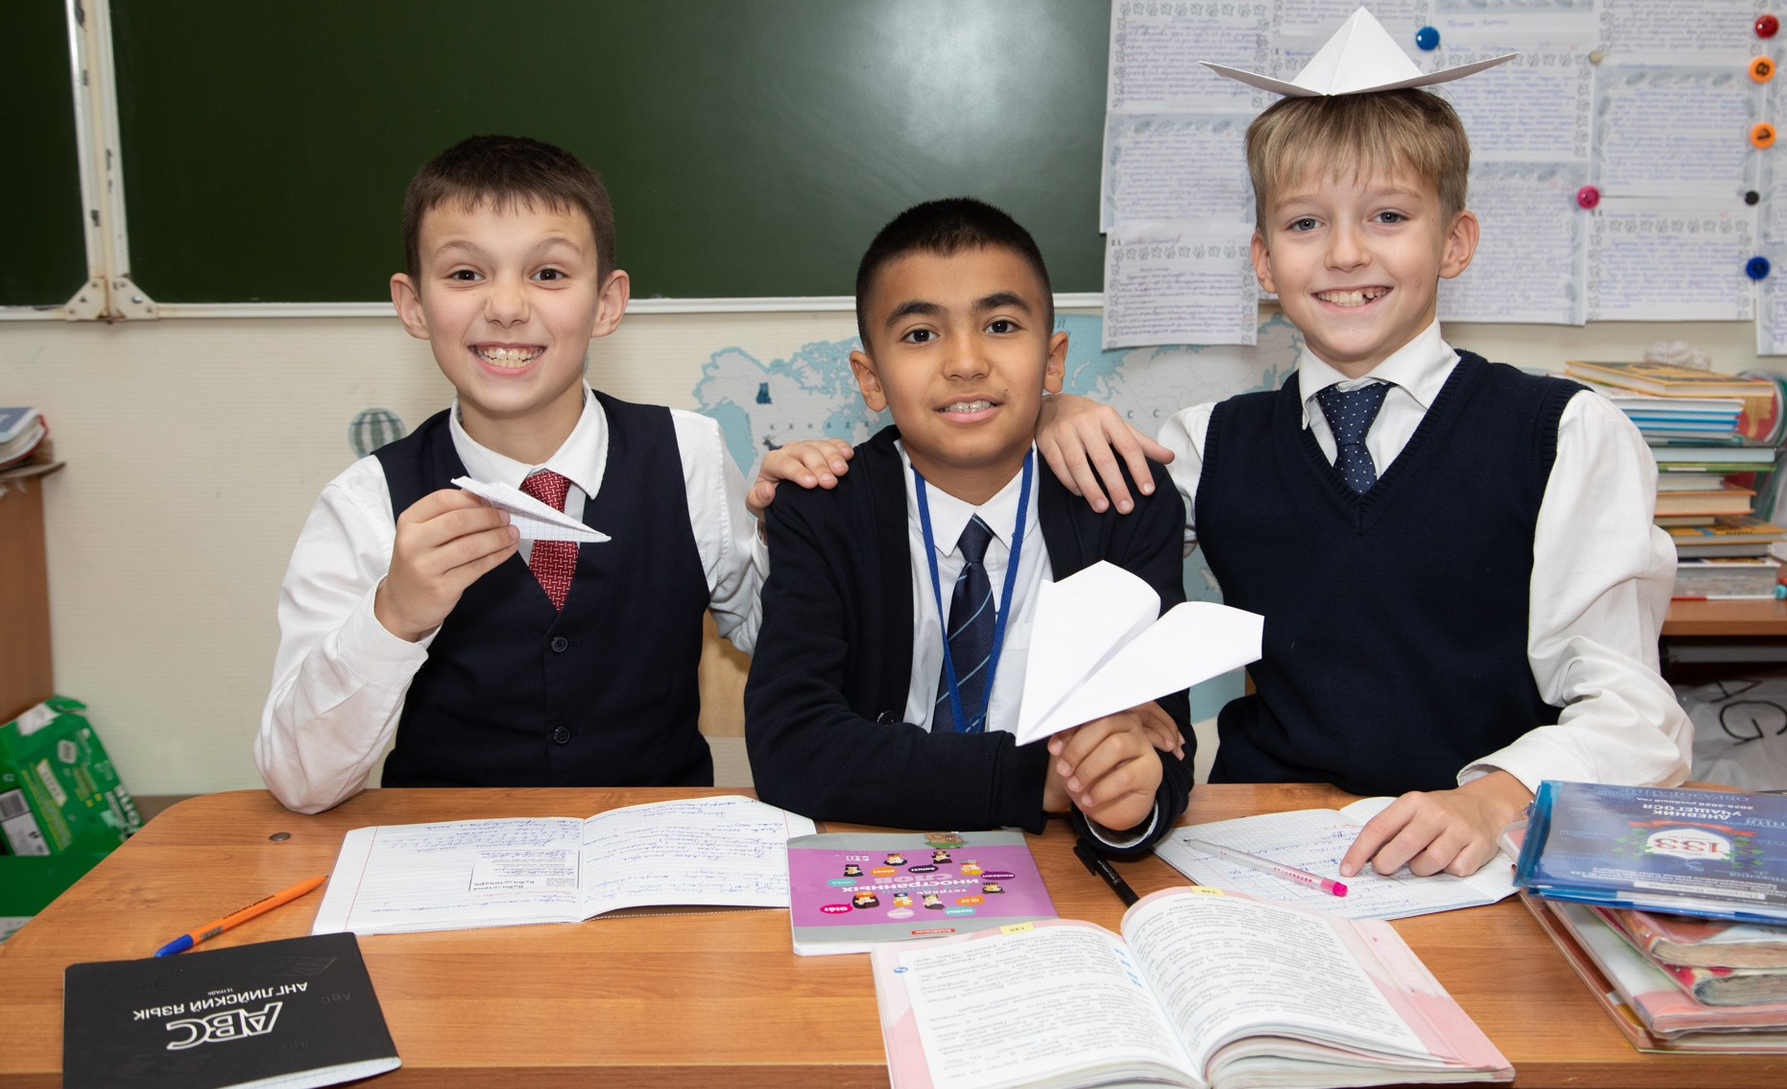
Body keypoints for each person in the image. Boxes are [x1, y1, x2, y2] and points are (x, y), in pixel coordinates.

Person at [1036, 9, 1692, 878]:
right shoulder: (1207, 444)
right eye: (1305, 224)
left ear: (1454, 241)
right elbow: (1056, 569)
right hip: (1263, 845)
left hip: (1481, 852)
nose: (1345, 254)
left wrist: (1495, 797)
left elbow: (1636, 715)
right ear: (1263, 261)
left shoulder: (1565, 436)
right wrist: (1044, 413)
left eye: (1387, 216)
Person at [256, 134, 836, 813]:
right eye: (465, 274)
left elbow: (771, 635)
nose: (506, 306)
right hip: (445, 853)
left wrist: (794, 535)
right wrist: (393, 616)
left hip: (654, 850)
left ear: (607, 302)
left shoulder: (690, 454)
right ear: (413, 305)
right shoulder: (365, 502)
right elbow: (301, 783)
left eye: (549, 273)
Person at [744, 198, 1193, 854]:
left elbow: (1163, 738)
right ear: (870, 379)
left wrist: (1125, 798)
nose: (965, 362)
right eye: (920, 335)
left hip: (1060, 865)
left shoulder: (1122, 500)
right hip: (874, 853)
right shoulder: (823, 509)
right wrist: (1035, 780)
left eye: (1001, 325)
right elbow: (792, 747)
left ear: (1053, 361)